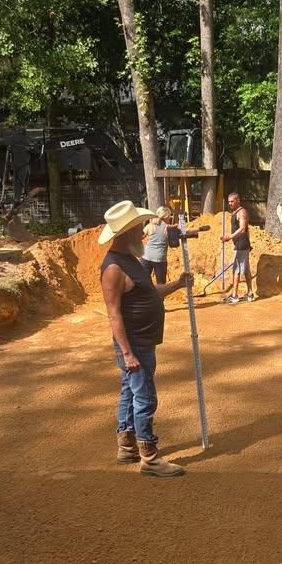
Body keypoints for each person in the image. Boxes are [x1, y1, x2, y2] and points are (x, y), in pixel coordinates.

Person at [99, 200, 192, 477]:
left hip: (142, 341)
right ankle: (149, 458)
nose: (143, 232)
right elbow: (114, 314)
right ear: (125, 232)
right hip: (134, 344)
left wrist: (177, 284)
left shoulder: (132, 261)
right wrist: (127, 352)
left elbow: (149, 294)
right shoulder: (114, 268)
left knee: (130, 391)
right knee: (144, 397)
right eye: (139, 228)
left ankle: (127, 447)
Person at [220, 192, 255, 303]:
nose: (230, 203)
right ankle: (250, 294)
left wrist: (230, 237)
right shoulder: (235, 213)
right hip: (242, 244)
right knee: (246, 270)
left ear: (238, 200)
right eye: (229, 201)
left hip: (241, 245)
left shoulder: (242, 212)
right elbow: (246, 230)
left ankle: (235, 296)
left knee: (237, 269)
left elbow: (243, 228)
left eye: (232, 201)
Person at [141, 205, 173, 284]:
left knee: (143, 282)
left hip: (146, 257)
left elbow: (140, 237)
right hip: (160, 259)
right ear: (165, 216)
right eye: (169, 215)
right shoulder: (168, 228)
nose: (170, 217)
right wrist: (199, 229)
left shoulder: (150, 226)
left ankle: (145, 296)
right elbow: (184, 232)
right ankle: (158, 297)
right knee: (161, 284)